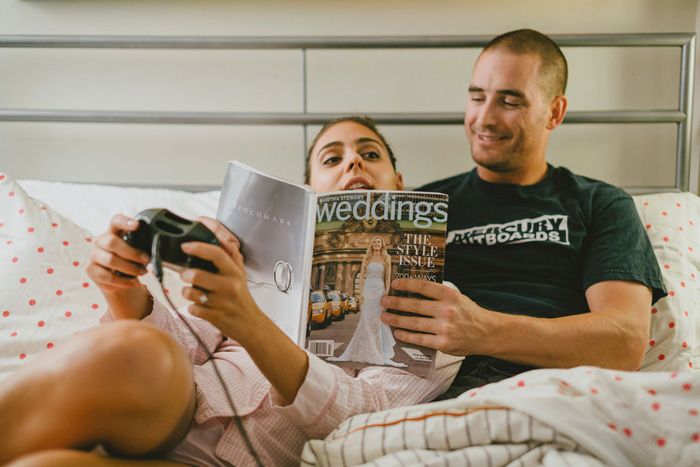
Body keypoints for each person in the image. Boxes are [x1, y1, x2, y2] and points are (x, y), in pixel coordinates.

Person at [0, 116, 460, 466]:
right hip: (168, 415)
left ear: (399, 185)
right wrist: (121, 287)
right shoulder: (253, 259)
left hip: (228, 460)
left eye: (369, 153)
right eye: (332, 158)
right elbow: (182, 349)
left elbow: (367, 417)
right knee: (140, 352)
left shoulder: (438, 305)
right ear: (309, 191)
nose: (353, 162)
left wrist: (250, 323)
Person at [379, 29, 667, 399]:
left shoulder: (602, 204)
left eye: (509, 102)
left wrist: (484, 330)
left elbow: (624, 342)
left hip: (551, 392)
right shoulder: (422, 207)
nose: (484, 118)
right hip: (433, 395)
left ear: (555, 112)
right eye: (477, 97)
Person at [328, 236, 406, 367]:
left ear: (382, 245)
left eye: (379, 242)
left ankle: (377, 351)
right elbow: (362, 278)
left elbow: (387, 278)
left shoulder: (387, 258)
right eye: (374, 241)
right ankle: (363, 350)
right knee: (365, 320)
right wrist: (361, 293)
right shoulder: (366, 257)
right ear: (372, 244)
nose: (376, 243)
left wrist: (386, 293)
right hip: (368, 291)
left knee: (376, 321)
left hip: (379, 291)